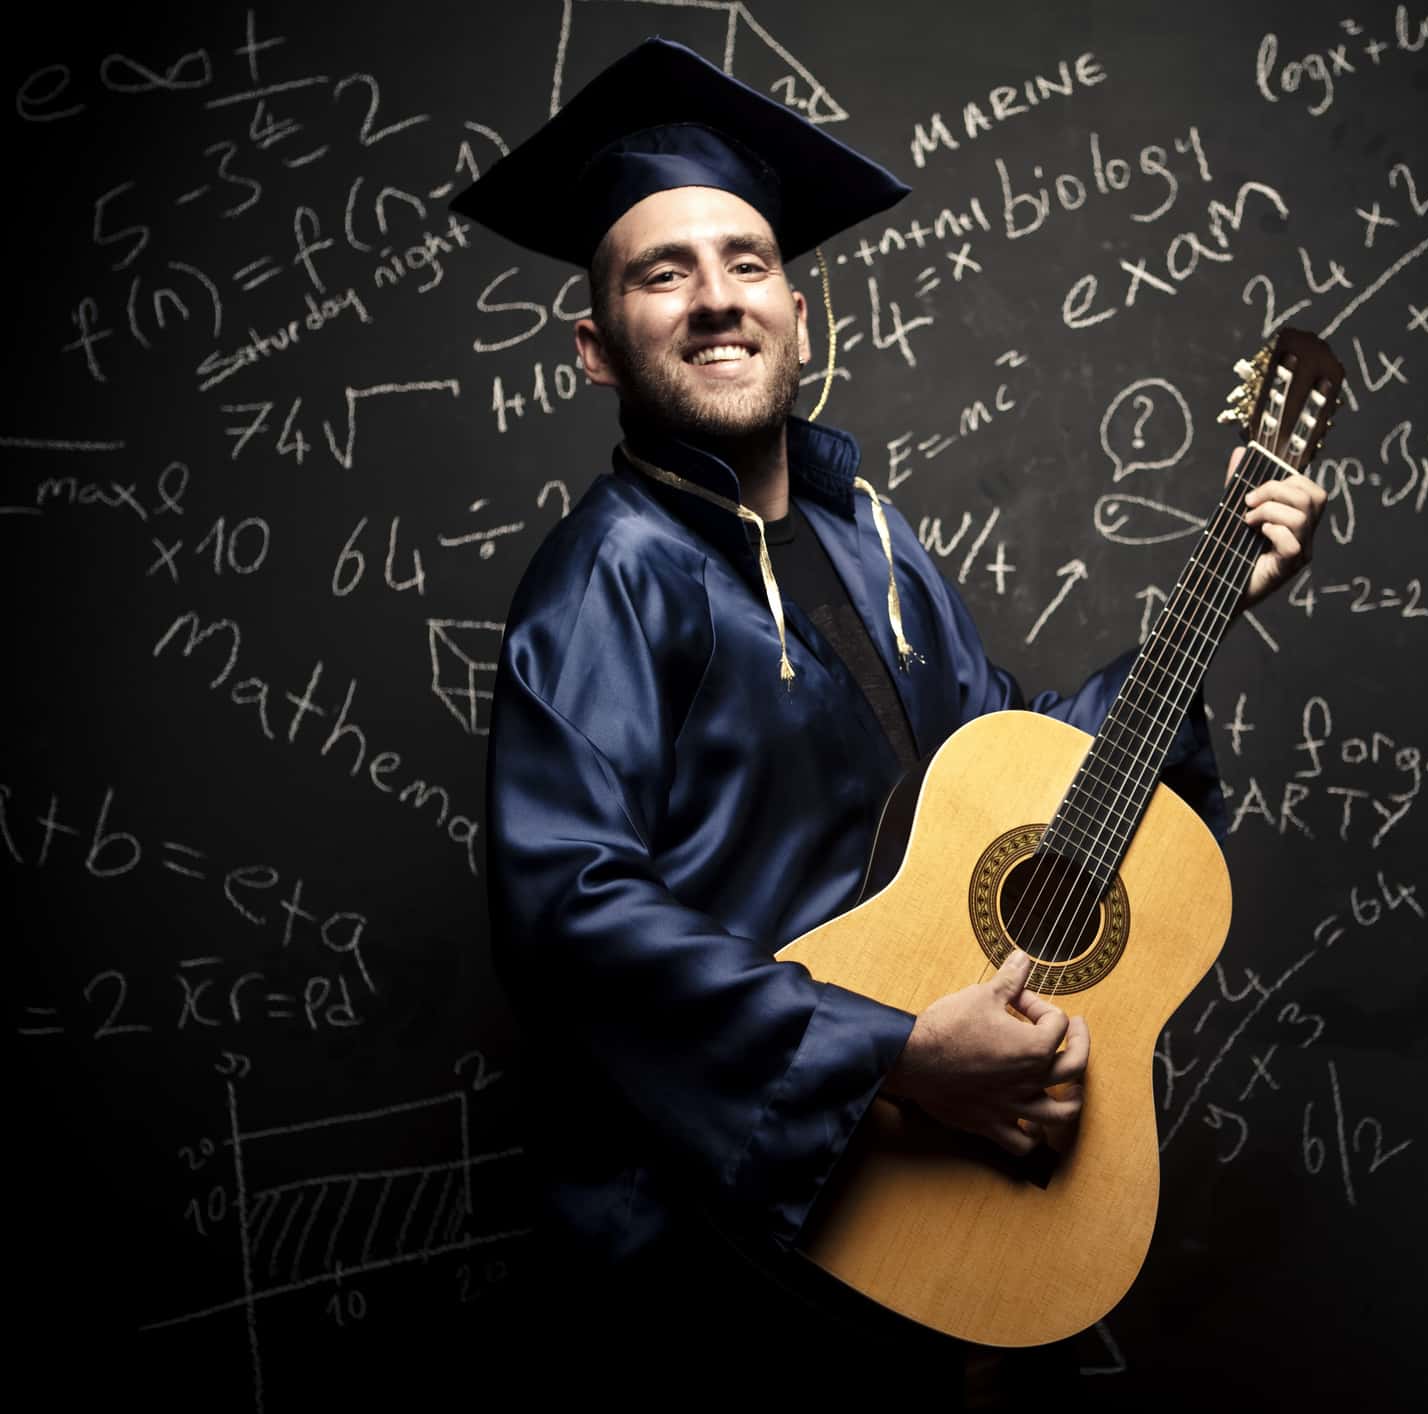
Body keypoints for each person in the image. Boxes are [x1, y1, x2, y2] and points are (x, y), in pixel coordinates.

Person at [455, 35, 1324, 1406]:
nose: (713, 299)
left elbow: (1017, 782)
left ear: (800, 314)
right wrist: (894, 1056)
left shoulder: (872, 540)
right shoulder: (607, 572)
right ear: (594, 348)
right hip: (715, 1256)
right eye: (659, 272)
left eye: (746, 260)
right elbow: (567, 913)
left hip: (924, 1215)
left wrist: (1209, 608)